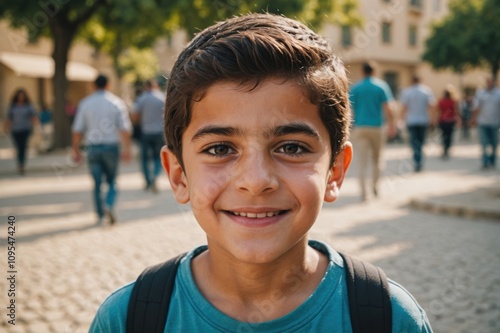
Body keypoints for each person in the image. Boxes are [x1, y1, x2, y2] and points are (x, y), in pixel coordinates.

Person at [89, 13, 432, 332]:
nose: (255, 181)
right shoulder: (128, 319)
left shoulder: (388, 318)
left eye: (292, 148)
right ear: (179, 176)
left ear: (335, 171)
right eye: (220, 149)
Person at [72, 74, 132, 225]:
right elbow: (125, 129)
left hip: (92, 147)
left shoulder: (85, 103)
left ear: (93, 86)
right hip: (111, 146)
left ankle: (99, 215)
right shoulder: (116, 103)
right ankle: (109, 204)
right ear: (108, 85)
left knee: (97, 183)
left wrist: (76, 150)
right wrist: (127, 149)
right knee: (112, 181)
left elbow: (77, 129)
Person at [349, 61, 395, 200]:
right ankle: (375, 187)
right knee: (377, 159)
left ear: (362, 72)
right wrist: (392, 125)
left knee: (362, 161)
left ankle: (363, 193)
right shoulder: (381, 86)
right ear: (374, 72)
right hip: (377, 127)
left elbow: (348, 109)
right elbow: (389, 108)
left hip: (360, 127)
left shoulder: (355, 88)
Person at [132, 79, 165, 193]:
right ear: (156, 86)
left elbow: (135, 115)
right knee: (158, 157)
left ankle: (148, 181)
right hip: (159, 132)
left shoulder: (142, 98)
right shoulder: (162, 97)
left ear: (146, 87)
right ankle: (155, 176)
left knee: (145, 159)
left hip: (146, 132)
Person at [400, 76, 436, 172]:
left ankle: (417, 160)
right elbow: (432, 106)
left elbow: (404, 107)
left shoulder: (407, 92)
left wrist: (401, 119)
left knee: (414, 141)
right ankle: (419, 159)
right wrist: (433, 118)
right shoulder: (426, 91)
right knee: (421, 141)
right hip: (423, 121)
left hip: (411, 121)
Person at [3, 88, 39, 175]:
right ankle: (20, 162)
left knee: (23, 147)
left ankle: (22, 164)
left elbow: (33, 117)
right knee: (18, 147)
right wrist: (5, 128)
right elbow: (8, 118)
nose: (21, 98)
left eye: (22, 96)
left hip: (25, 129)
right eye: (20, 96)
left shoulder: (28, 106)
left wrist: (37, 126)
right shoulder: (13, 107)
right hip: (15, 130)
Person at [471, 77, 500, 170]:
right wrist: (473, 118)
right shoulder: (480, 93)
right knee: (484, 143)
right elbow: (476, 107)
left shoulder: (498, 94)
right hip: (483, 122)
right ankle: (485, 161)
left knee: (494, 143)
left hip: (495, 122)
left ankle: (492, 160)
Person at [436, 87, 459, 159]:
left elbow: (438, 111)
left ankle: (444, 149)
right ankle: (447, 148)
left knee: (443, 136)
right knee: (449, 136)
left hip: (443, 120)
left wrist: (436, 119)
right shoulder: (453, 101)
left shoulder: (441, 101)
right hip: (450, 121)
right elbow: (456, 111)